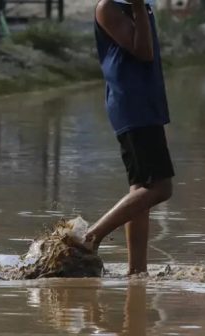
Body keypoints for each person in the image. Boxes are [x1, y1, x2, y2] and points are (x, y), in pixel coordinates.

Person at [81, 0, 174, 275]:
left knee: (140, 190)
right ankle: (90, 238)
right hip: (133, 106)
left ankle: (137, 272)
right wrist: (138, 8)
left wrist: (140, 8)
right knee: (160, 188)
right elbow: (144, 52)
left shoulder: (136, 7)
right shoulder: (108, 8)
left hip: (144, 103)